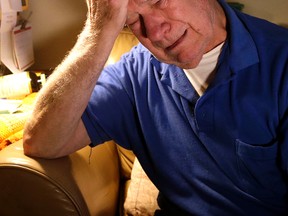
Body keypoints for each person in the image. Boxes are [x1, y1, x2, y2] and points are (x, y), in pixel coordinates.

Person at [23, 0, 288, 215]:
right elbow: (42, 141)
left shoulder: (281, 60)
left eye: (158, 1)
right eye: (133, 20)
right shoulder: (132, 74)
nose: (155, 32)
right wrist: (98, 29)